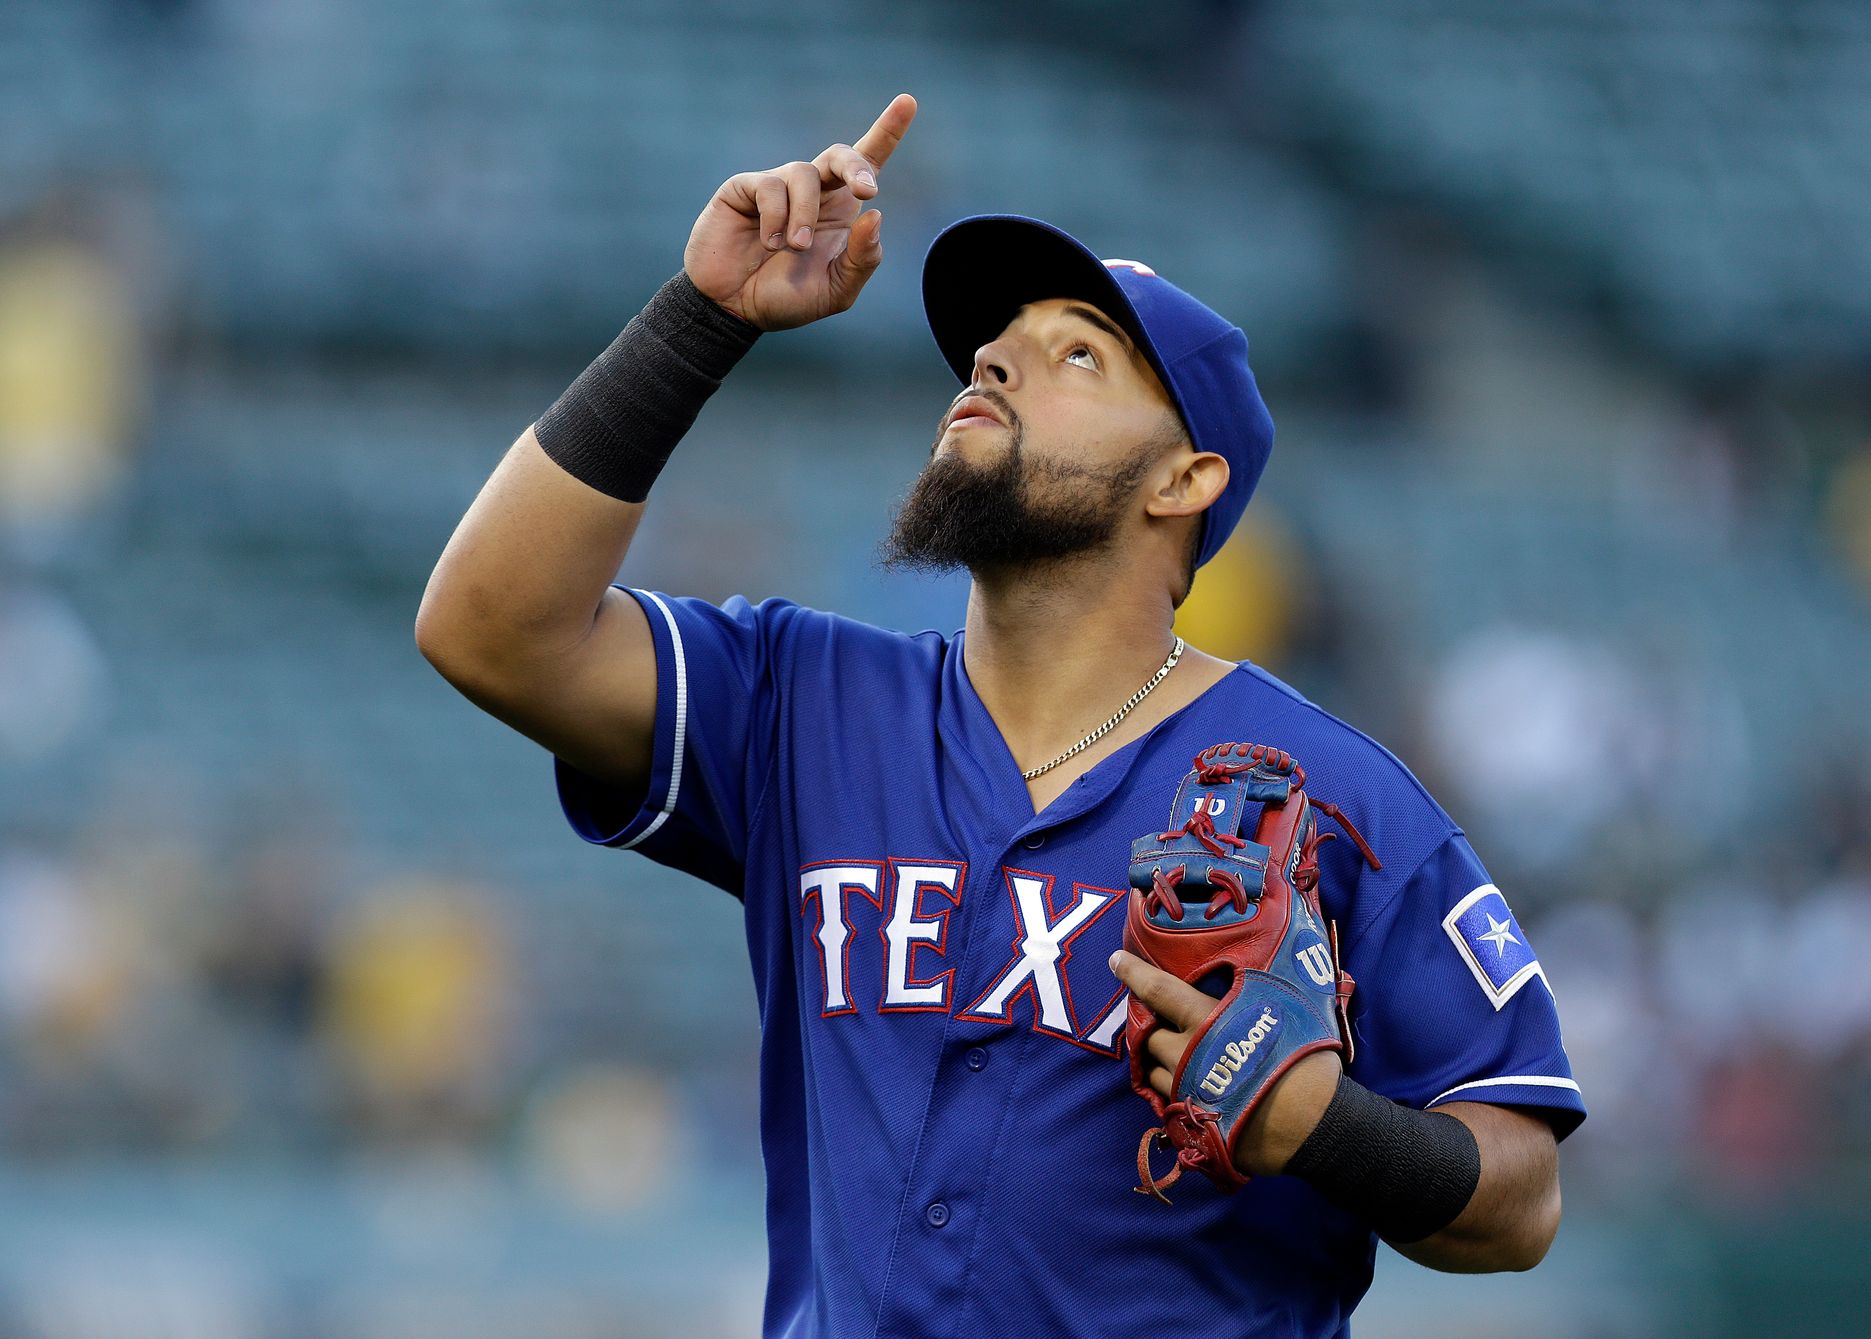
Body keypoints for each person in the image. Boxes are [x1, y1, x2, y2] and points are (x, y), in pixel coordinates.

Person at [416, 93, 1584, 1338]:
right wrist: (701, 320)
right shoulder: (805, 701)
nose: (994, 360)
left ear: (1184, 480)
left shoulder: (1337, 795)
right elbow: (490, 628)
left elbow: (1520, 1198)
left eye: (1076, 352)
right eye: (993, 346)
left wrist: (1331, 1129)